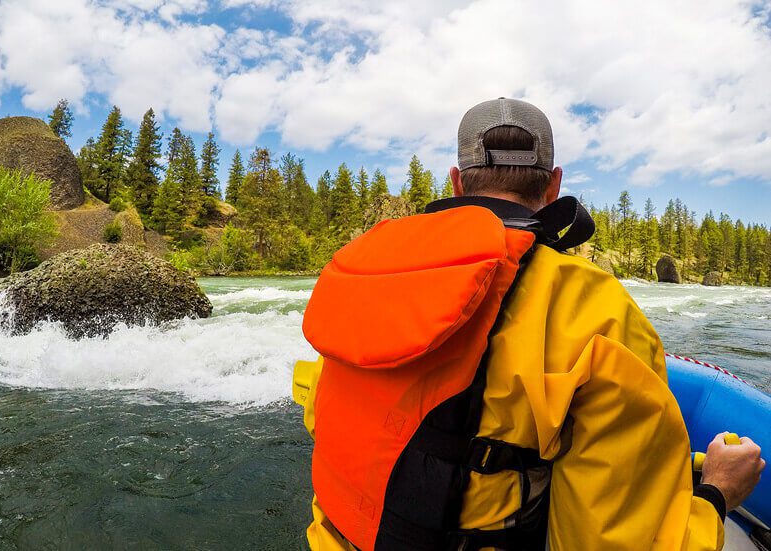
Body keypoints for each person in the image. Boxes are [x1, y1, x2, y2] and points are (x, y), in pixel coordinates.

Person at [295, 98, 765, 550]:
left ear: (457, 182)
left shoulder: (365, 276)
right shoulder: (594, 306)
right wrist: (716, 494)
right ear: (553, 185)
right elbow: (612, 542)